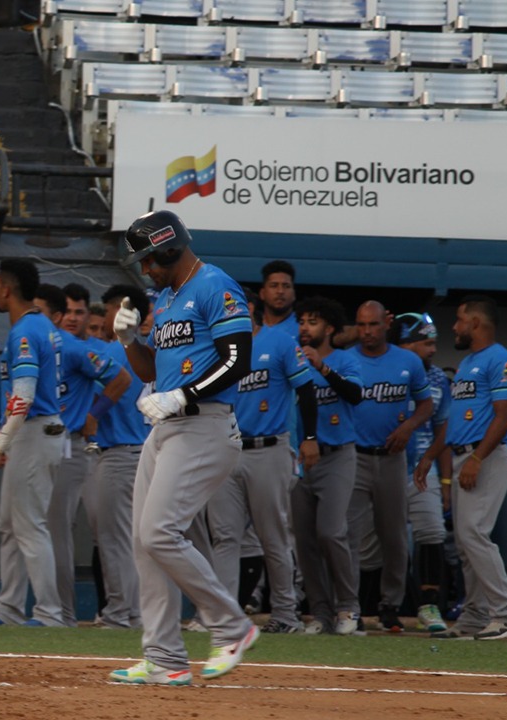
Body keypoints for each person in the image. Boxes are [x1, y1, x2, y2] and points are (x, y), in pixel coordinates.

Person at [107, 210, 255, 686]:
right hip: (168, 428)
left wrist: (185, 394)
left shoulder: (215, 285)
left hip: (205, 424)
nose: (145, 270)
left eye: (149, 259)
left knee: (159, 532)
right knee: (142, 541)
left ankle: (232, 627)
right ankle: (165, 658)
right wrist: (129, 340)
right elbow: (152, 371)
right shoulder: (167, 298)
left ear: (170, 246)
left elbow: (237, 360)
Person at [206, 292, 318, 635]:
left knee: (273, 535)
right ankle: (226, 617)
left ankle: (285, 613)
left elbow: (306, 387)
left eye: (236, 308)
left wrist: (309, 437)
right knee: (225, 537)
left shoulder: (280, 342)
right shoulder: (217, 348)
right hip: (228, 448)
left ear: (250, 309)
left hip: (269, 448)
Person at [417, 296, 507, 640]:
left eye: (460, 320)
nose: (454, 326)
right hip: (465, 455)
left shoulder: (501, 360)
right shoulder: (467, 364)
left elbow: (506, 413)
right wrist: (431, 455)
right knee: (465, 543)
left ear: (476, 323)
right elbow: (451, 421)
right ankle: (476, 617)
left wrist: (477, 458)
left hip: (486, 455)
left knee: (473, 533)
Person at [34, 283, 128, 627]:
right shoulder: (44, 346)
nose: (73, 318)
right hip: (44, 443)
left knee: (79, 531)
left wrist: (93, 415)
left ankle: (70, 613)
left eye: (79, 312)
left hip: (81, 445)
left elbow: (122, 380)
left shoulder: (88, 350)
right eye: (68, 312)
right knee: (43, 529)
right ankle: (60, 610)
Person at [0, 259, 66, 627]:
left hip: (32, 429)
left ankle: (49, 613)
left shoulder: (25, 332)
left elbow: (24, 396)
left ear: (5, 288)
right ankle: (8, 608)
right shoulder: (41, 325)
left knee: (28, 525)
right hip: (35, 431)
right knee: (9, 524)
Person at [348, 301, 433, 633]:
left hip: (392, 457)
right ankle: (349, 607)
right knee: (348, 535)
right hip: (353, 456)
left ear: (386, 324)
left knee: (394, 536)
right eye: (362, 325)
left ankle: (390, 605)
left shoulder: (408, 360)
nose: (367, 331)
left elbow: (426, 405)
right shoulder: (347, 360)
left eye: (373, 324)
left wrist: (408, 426)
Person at [291, 296, 364, 635]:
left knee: (331, 532)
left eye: (313, 321)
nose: (305, 327)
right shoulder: (292, 359)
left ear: (330, 328)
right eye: (302, 321)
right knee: (304, 540)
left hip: (337, 454)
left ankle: (348, 607)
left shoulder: (346, 360)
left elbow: (354, 394)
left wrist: (322, 367)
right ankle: (320, 612)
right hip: (300, 459)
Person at [82, 285, 151, 629]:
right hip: (142, 450)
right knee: (130, 538)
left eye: (109, 309)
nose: (106, 316)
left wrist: (92, 413)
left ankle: (119, 613)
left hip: (120, 451)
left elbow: (113, 386)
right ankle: (133, 612)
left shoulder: (116, 349)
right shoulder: (145, 350)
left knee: (114, 539)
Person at [388, 312, 451, 633]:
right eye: (425, 343)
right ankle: (381, 608)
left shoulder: (439, 378)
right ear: (405, 344)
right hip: (386, 466)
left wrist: (444, 476)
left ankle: (430, 607)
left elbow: (444, 427)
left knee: (431, 534)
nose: (432, 349)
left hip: (422, 471)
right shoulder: (386, 369)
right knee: (383, 542)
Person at [258, 260, 298, 341]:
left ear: (294, 294)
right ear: (262, 293)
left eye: (286, 286)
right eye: (274, 286)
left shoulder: (303, 327)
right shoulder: (252, 326)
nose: (280, 291)